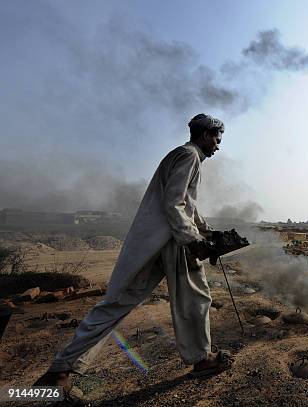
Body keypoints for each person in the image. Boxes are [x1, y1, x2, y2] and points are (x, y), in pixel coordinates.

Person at [34, 113, 233, 400]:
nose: (218, 145)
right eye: (217, 138)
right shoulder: (190, 156)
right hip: (174, 241)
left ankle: (61, 369)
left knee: (119, 301)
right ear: (204, 135)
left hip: (155, 241)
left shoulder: (181, 155)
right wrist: (194, 239)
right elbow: (173, 202)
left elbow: (187, 203)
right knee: (195, 298)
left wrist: (207, 231)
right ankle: (201, 359)